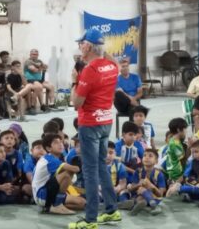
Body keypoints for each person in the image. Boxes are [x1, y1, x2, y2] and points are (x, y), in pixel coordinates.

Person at [70, 29, 121, 229]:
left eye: (81, 43)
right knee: (101, 166)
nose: (79, 47)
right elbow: (112, 59)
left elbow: (76, 102)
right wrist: (100, 51)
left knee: (90, 170)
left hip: (90, 123)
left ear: (88, 46)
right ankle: (111, 210)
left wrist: (75, 79)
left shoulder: (88, 71)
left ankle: (90, 219)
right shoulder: (111, 66)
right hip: (106, 121)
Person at [31, 133, 85, 214]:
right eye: (56, 142)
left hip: (51, 192)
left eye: (61, 142)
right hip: (42, 195)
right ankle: (57, 205)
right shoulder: (49, 159)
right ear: (49, 148)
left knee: (82, 203)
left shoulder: (57, 158)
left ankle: (49, 207)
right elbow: (75, 169)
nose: (60, 144)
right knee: (67, 174)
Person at [127, 149, 166, 216]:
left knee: (142, 192)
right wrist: (139, 184)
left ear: (156, 161)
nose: (146, 158)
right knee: (141, 195)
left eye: (150, 156)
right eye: (144, 155)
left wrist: (152, 186)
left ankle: (147, 204)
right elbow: (132, 189)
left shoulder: (159, 174)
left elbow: (160, 194)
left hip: (154, 197)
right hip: (139, 196)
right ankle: (151, 206)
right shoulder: (138, 171)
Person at [165, 118, 188, 196]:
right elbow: (183, 158)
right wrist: (190, 147)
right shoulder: (175, 144)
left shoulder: (172, 140)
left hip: (172, 170)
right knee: (174, 190)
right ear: (179, 130)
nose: (186, 132)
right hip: (176, 172)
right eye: (185, 129)